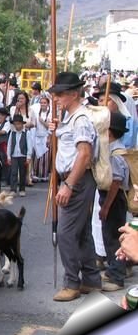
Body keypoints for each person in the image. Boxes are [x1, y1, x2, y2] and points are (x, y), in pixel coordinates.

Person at [48, 72, 101, 302]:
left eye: (59, 94)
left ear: (73, 94)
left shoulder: (80, 119)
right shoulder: (71, 117)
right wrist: (56, 130)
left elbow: (84, 154)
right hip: (74, 179)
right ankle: (91, 278)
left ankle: (72, 282)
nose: (56, 98)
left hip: (76, 180)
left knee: (66, 233)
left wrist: (68, 184)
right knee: (82, 231)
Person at [97, 112, 130, 292]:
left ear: (109, 132)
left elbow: (115, 183)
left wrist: (106, 207)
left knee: (113, 239)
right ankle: (113, 269)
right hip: (111, 197)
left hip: (114, 198)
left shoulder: (116, 153)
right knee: (108, 235)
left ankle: (117, 277)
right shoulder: (111, 148)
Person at [7, 114, 32, 197]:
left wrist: (28, 156)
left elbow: (29, 145)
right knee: (13, 172)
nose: (17, 126)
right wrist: (8, 156)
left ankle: (22, 189)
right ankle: (13, 189)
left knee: (22, 173)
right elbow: (9, 145)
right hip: (14, 155)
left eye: (18, 124)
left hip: (23, 155)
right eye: (15, 124)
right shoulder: (12, 133)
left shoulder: (27, 133)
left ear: (22, 124)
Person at [33, 95, 51, 182]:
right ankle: (36, 174)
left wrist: (42, 122)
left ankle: (44, 175)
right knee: (37, 156)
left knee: (45, 157)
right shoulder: (37, 113)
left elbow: (50, 127)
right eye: (41, 103)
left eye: (44, 103)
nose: (43, 104)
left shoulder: (50, 114)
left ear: (48, 104)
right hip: (37, 136)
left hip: (45, 136)